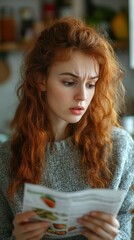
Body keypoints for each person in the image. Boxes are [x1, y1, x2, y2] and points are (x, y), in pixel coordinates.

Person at [0, 16, 134, 240]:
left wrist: (114, 238)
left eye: (91, 84)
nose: (83, 96)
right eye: (69, 82)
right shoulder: (6, 159)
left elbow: (127, 230)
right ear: (40, 80)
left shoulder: (120, 148)